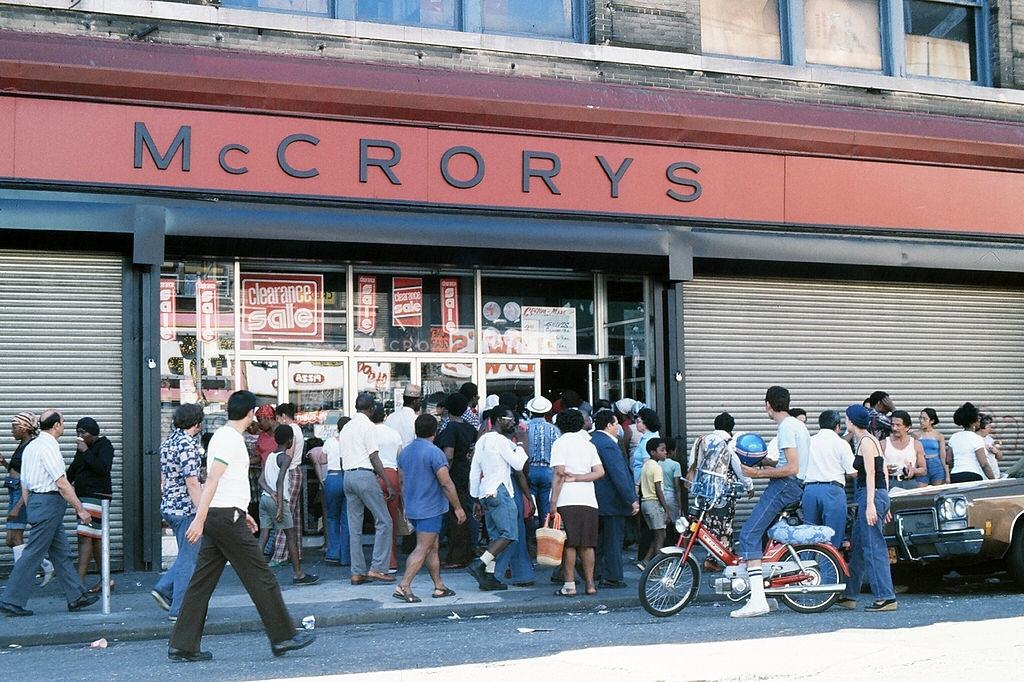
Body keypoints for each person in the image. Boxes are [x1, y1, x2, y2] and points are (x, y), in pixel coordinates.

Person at [168, 391, 315, 661]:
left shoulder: (224, 437)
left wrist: (241, 511)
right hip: (224, 519)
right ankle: (283, 637)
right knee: (262, 577)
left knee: (201, 583)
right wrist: (200, 519)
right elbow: (212, 479)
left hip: (223, 515)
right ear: (250, 413)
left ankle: (183, 644)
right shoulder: (230, 439)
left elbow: (223, 482)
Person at [0, 410, 98, 617]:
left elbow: (24, 483)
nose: (63, 426)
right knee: (33, 553)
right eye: (62, 422)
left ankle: (76, 596)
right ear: (56, 426)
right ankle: (11, 600)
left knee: (61, 553)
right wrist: (80, 509)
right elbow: (61, 482)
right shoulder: (49, 446)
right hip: (49, 501)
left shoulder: (32, 446)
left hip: (38, 501)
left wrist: (31, 505)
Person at [733, 385, 809, 618]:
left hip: (785, 486)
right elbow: (790, 464)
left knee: (748, 533)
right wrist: (764, 461)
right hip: (794, 486)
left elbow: (792, 468)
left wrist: (756, 474)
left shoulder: (786, 427)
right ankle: (767, 595)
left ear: (768, 405)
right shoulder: (798, 425)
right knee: (766, 537)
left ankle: (757, 601)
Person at [394, 414, 466, 602]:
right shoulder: (435, 453)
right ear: (435, 431)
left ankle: (439, 586)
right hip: (431, 507)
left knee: (432, 547)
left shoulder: (405, 452)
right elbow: (446, 483)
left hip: (413, 506)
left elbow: (401, 480)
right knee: (423, 548)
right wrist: (457, 507)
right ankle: (404, 585)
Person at [837, 404, 897, 612]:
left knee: (873, 548)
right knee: (859, 548)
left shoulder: (865, 442)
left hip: (869, 495)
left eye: (846, 418)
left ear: (852, 421)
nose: (845, 421)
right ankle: (849, 595)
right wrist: (884, 501)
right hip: (877, 494)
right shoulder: (871, 440)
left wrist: (872, 504)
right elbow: (884, 472)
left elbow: (872, 473)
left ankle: (886, 597)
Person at [152, 403, 205, 622]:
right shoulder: (187, 445)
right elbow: (192, 482)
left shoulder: (169, 442)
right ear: (197, 423)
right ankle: (178, 606)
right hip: (186, 508)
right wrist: (202, 511)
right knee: (188, 559)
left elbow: (164, 477)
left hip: (170, 506)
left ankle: (165, 590)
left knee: (186, 554)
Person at [466, 407, 527, 591]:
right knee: (509, 534)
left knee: (495, 536)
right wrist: (522, 443)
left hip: (486, 492)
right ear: (499, 420)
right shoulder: (500, 440)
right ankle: (481, 563)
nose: (513, 423)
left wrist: (476, 498)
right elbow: (518, 464)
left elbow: (474, 470)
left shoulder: (483, 439)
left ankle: (489, 577)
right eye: (509, 419)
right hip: (500, 490)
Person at [340, 392, 396, 585]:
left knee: (354, 526)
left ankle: (357, 571)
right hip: (364, 474)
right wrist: (386, 482)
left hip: (347, 475)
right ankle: (378, 568)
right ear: (371, 409)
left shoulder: (346, 427)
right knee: (384, 521)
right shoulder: (368, 426)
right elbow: (374, 457)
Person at [686, 412, 753, 572]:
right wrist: (749, 484)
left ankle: (713, 557)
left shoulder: (701, 439)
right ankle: (718, 559)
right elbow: (737, 466)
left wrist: (693, 484)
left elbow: (693, 463)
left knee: (708, 525)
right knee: (724, 525)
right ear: (731, 428)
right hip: (723, 491)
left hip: (703, 489)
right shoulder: (729, 442)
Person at [550, 409, 605, 596]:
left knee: (569, 544)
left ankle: (570, 585)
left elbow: (559, 473)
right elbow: (599, 472)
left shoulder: (559, 443)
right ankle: (590, 585)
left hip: (566, 499)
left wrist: (552, 503)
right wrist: (580, 478)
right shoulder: (588, 445)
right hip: (589, 499)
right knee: (587, 544)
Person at [258, 425, 319, 586]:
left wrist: (270, 492)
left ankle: (253, 573)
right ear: (291, 441)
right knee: (290, 536)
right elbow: (280, 481)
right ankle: (299, 574)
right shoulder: (286, 458)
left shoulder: (270, 456)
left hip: (265, 499)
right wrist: (279, 506)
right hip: (279, 501)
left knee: (263, 536)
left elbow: (260, 480)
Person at [1, 412, 54, 587]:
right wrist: (4, 463)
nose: (11, 431)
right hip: (14, 490)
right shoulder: (23, 445)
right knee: (10, 540)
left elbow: (28, 480)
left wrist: (18, 506)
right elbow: (16, 471)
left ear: (24, 428)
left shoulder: (30, 447)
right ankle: (45, 565)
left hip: (20, 494)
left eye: (14, 427)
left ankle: (21, 578)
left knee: (16, 537)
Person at [65, 417, 115, 593]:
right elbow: (73, 470)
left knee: (85, 537)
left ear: (93, 432)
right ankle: (106, 580)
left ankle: (77, 584)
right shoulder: (82, 450)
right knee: (94, 540)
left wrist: (85, 451)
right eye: (77, 432)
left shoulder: (104, 446)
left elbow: (102, 468)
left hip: (96, 497)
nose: (80, 436)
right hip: (84, 497)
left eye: (83, 432)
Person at [592, 409, 638, 588]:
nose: (618, 426)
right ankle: (611, 576)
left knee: (599, 540)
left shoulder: (592, 440)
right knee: (613, 540)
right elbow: (619, 474)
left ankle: (594, 571)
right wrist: (631, 499)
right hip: (612, 500)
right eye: (616, 423)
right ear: (609, 425)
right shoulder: (609, 444)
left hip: (596, 499)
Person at [435, 392, 478, 568]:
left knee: (456, 515)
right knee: (464, 511)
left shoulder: (450, 428)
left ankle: (457, 557)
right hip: (466, 472)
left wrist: (444, 473)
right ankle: (465, 551)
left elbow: (449, 455)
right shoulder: (469, 428)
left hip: (454, 475)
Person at [801, 410, 855, 548]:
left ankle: (808, 568)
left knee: (809, 537)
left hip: (810, 491)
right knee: (832, 538)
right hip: (832, 491)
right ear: (837, 426)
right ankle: (829, 569)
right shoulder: (841, 443)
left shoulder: (809, 442)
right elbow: (853, 472)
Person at [269, 403, 305, 565]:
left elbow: (288, 454)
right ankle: (295, 553)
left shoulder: (292, 430)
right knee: (294, 516)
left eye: (278, 417)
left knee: (284, 513)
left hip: (290, 472)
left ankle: (280, 555)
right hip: (296, 471)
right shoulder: (298, 429)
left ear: (283, 415)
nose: (277, 421)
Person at [371, 404, 404, 574]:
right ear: (384, 417)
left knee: (379, 521)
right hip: (393, 474)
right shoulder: (394, 434)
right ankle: (392, 561)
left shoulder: (369, 433)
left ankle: (380, 562)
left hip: (375, 476)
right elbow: (400, 456)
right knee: (391, 520)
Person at [524, 395, 559, 531]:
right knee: (545, 506)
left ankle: (530, 535)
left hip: (529, 469)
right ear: (547, 411)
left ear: (531, 411)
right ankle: (544, 535)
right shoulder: (554, 429)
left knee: (528, 505)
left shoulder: (525, 428)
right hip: (547, 471)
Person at [637, 438, 673, 569]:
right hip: (653, 504)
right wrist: (667, 511)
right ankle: (655, 568)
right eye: (662, 450)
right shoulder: (656, 468)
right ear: (653, 452)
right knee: (660, 537)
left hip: (645, 503)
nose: (665, 452)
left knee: (659, 534)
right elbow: (659, 490)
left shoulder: (646, 465)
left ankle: (646, 561)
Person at [321, 416, 351, 566]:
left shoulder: (330, 441)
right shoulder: (352, 442)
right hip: (347, 477)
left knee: (332, 517)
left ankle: (333, 553)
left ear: (338, 428)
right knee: (346, 518)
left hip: (333, 477)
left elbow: (321, 460)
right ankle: (346, 556)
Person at [948, 402, 994, 483]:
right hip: (973, 475)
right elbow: (984, 464)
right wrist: (993, 480)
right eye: (977, 419)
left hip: (955, 475)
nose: (979, 421)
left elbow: (948, 460)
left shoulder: (954, 437)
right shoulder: (977, 438)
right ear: (972, 422)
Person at [882, 410, 927, 490]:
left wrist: (913, 470)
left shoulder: (916, 444)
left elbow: (923, 470)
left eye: (898, 425)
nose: (894, 428)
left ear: (907, 427)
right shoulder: (883, 443)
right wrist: (884, 469)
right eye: (892, 425)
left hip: (910, 483)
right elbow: (873, 467)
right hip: (889, 482)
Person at [914, 408, 948, 485]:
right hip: (922, 465)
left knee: (937, 492)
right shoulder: (916, 435)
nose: (921, 421)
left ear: (932, 421)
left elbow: (943, 457)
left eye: (924, 419)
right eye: (920, 418)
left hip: (936, 466)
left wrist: (947, 475)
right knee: (920, 492)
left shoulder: (939, 436)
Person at [385, 383, 421, 448]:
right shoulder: (417, 420)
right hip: (409, 456)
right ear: (415, 402)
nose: (420, 403)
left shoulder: (391, 417)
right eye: (419, 400)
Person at [660, 440, 683, 537]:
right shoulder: (675, 465)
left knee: (663, 522)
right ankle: (674, 542)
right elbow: (677, 486)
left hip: (660, 495)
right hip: (671, 496)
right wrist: (680, 506)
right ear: (671, 451)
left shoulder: (657, 463)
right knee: (676, 523)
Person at [978, 414, 1003, 480]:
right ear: (982, 428)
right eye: (989, 427)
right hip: (983, 478)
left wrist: (996, 451)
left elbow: (1000, 457)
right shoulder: (975, 440)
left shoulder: (990, 439)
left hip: (995, 476)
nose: (991, 429)